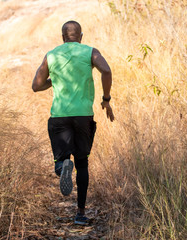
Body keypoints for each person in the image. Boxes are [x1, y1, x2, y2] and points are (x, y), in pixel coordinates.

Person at [32, 20, 114, 225]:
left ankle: (62, 167)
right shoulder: (90, 52)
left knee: (61, 159)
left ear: (62, 38)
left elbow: (36, 85)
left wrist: (56, 80)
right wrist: (106, 99)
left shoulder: (51, 55)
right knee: (83, 163)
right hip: (83, 116)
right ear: (81, 36)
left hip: (60, 116)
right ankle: (80, 213)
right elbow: (106, 70)